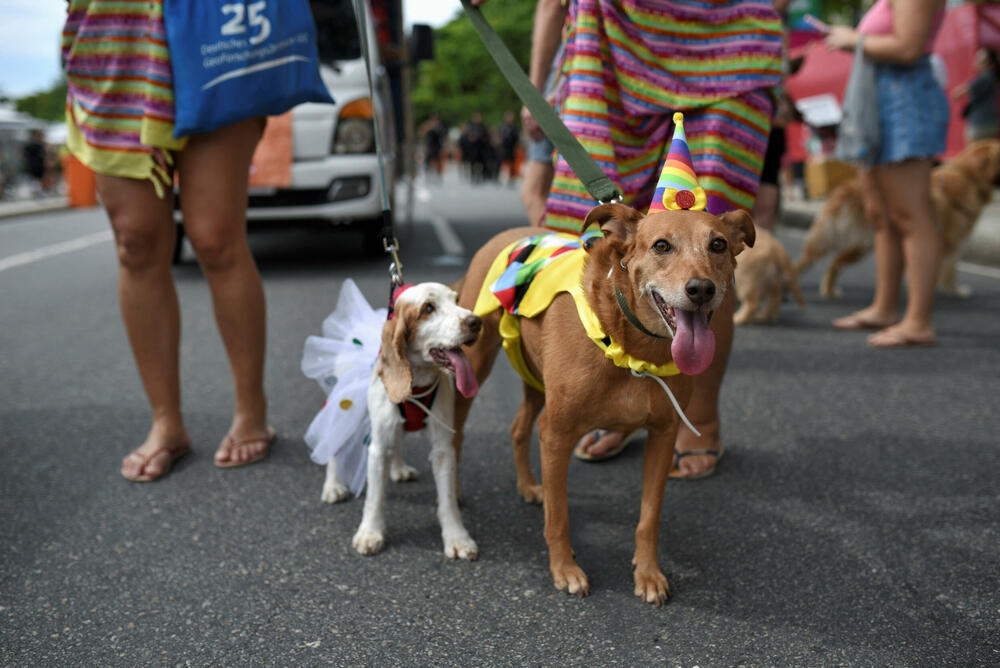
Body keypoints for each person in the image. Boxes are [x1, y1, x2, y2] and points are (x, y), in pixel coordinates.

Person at [476, 0, 784, 478]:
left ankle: (697, 419)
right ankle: (620, 405)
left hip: (725, 56)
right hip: (617, 50)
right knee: (600, 243)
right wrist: (538, 89)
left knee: (706, 251)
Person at [63, 0, 275, 481]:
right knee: (135, 243)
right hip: (115, 46)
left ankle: (251, 409)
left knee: (217, 239)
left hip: (216, 37)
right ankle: (166, 421)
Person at [827, 0, 949, 348]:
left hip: (904, 102)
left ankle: (918, 321)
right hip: (881, 101)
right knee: (882, 215)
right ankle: (885, 307)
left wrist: (853, 39)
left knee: (911, 216)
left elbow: (908, 48)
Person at [518, 0, 566, 226]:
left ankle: (560, 249)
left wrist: (534, 95)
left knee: (535, 191)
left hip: (583, 62)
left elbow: (553, 4)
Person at [953, 48, 1000, 143]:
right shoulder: (993, 78)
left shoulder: (982, 79)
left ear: (989, 64)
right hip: (992, 122)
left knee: (975, 150)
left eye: (979, 60)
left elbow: (957, 93)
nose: (976, 62)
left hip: (979, 124)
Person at [499, 110, 521, 184]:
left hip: (512, 148)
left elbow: (517, 138)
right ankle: (502, 176)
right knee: (503, 162)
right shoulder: (502, 127)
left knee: (512, 163)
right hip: (504, 148)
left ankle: (512, 177)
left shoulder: (515, 128)